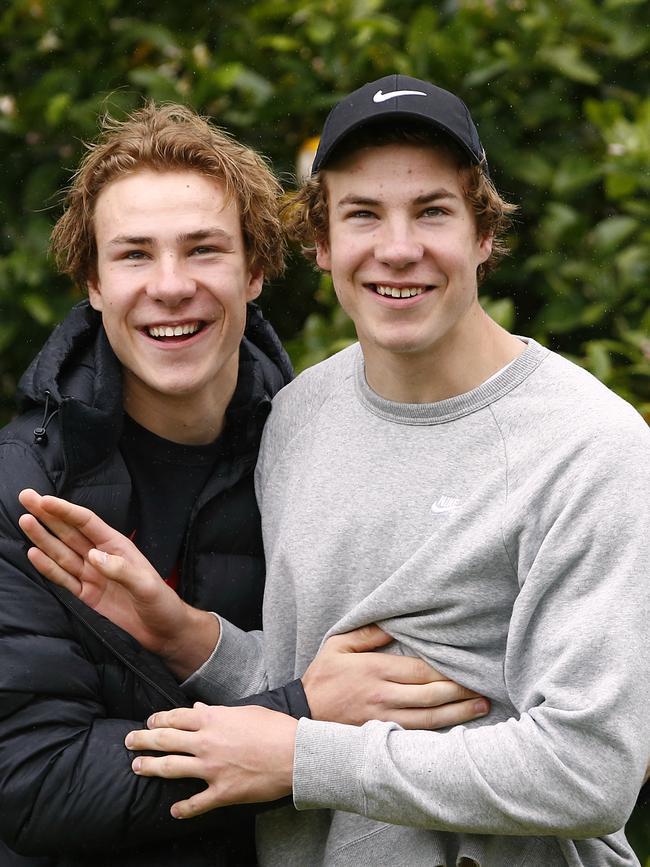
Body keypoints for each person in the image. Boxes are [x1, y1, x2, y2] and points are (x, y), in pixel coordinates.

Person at [18, 76, 650, 866]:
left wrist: (300, 759)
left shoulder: (589, 444)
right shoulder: (298, 417)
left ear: (484, 234)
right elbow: (326, 683)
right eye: (362, 214)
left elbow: (589, 771)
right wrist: (192, 640)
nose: (397, 247)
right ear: (320, 245)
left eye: (432, 211)